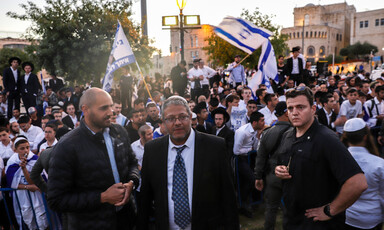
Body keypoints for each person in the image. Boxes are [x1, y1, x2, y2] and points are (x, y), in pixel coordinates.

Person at [138, 96, 239, 229]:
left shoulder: (215, 146)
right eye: (170, 119)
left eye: (183, 117)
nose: (177, 122)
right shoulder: (152, 150)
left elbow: (228, 195)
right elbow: (145, 197)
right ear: (162, 121)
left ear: (190, 117)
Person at [275, 86, 367, 230]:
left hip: (319, 224)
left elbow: (358, 182)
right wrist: (279, 170)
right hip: (292, 217)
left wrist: (331, 210)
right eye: (290, 108)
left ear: (313, 109)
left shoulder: (326, 138)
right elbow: (287, 162)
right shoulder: (288, 135)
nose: (294, 112)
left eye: (300, 107)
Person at [48, 87, 140, 230]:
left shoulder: (119, 132)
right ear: (85, 109)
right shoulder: (67, 146)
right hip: (89, 224)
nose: (111, 112)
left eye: (111, 106)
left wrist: (131, 182)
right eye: (104, 108)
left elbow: (133, 163)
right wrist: (102, 197)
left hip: (126, 220)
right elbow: (56, 200)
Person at [254, 101, 291, 230]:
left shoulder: (268, 132)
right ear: (286, 113)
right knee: (290, 209)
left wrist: (258, 176)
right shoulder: (295, 131)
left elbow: (261, 157)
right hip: (289, 175)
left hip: (272, 175)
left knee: (271, 208)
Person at [342, 118, 384, 230]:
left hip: (347, 216)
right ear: (366, 137)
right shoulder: (379, 163)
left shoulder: (338, 160)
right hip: (371, 217)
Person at [6, 136, 48, 229]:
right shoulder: (12, 163)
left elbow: (37, 180)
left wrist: (24, 169)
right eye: (22, 148)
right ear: (16, 150)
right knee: (27, 217)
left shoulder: (35, 160)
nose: (26, 150)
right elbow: (12, 184)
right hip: (22, 196)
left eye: (27, 147)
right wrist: (27, 187)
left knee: (42, 218)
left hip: (37, 195)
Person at [233, 111, 265, 218]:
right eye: (262, 120)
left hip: (249, 157)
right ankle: (242, 204)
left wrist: (259, 137)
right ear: (255, 122)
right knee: (251, 180)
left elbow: (255, 147)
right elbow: (236, 151)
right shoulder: (242, 132)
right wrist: (249, 149)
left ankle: (248, 203)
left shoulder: (256, 130)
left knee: (252, 180)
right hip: (240, 159)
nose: (264, 122)